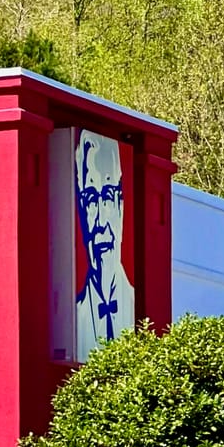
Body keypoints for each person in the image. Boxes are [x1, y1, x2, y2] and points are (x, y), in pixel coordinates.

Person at [73, 130, 133, 355]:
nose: (99, 221)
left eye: (107, 196)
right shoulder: (76, 319)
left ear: (120, 205)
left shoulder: (136, 308)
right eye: (90, 200)